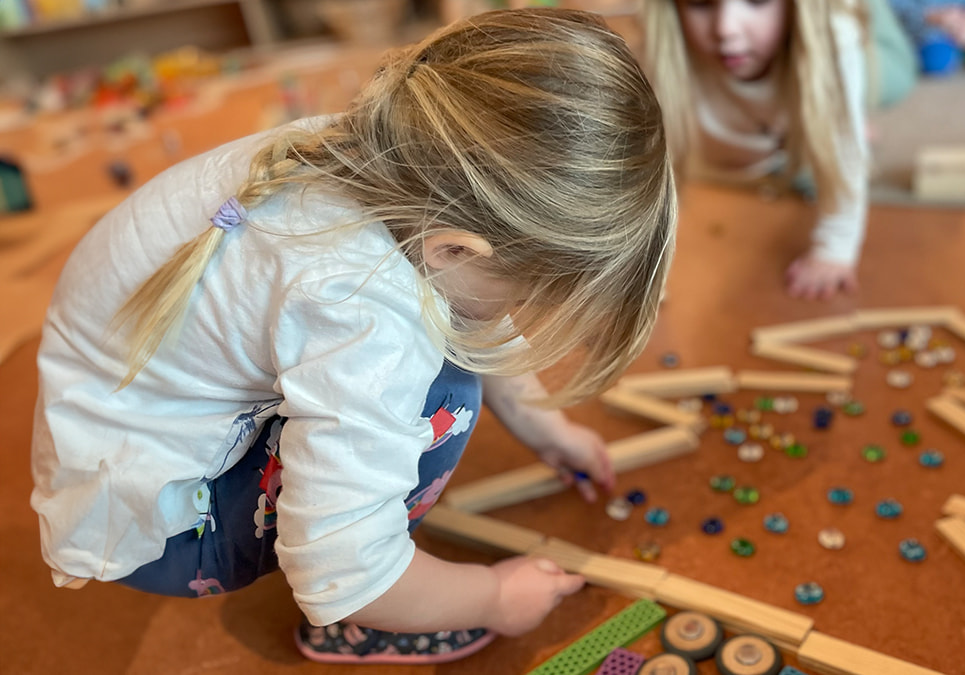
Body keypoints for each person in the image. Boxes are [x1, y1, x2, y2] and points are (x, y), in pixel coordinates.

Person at [30, 8, 676, 666]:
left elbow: (473, 303)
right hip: (161, 526)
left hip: (123, 430)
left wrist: (548, 427)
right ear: (454, 249)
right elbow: (345, 570)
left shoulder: (394, 157)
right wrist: (490, 595)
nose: (527, 316)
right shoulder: (363, 308)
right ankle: (363, 628)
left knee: (457, 330)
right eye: (533, 297)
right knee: (447, 389)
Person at [642, 0, 916, 300]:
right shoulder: (655, 49)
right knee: (801, 166)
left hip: (848, 25)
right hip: (787, 88)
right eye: (700, 3)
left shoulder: (835, 34)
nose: (725, 29)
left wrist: (834, 250)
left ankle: (844, 96)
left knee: (885, 82)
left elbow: (845, 153)